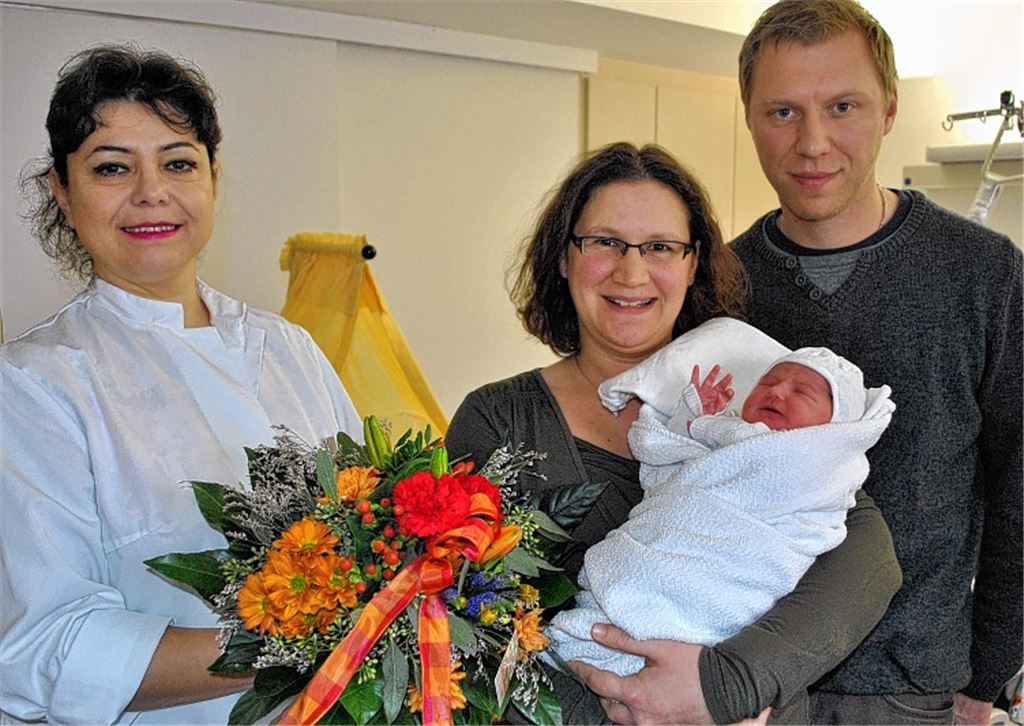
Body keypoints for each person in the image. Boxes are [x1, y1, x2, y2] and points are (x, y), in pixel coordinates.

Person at [446, 141, 903, 724]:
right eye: (604, 242)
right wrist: (635, 711)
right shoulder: (498, 420)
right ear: (563, 258)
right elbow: (472, 625)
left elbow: (866, 561)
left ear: (693, 264)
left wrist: (724, 687)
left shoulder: (757, 389)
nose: (631, 270)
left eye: (661, 247)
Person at [0, 46, 362, 724]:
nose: (151, 192)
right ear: (62, 192)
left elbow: (370, 532)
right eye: (112, 167)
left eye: (177, 162)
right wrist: (297, 641)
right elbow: (49, 645)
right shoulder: (33, 386)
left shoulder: (290, 350)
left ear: (213, 178)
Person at [730, 1, 1023, 723]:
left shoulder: (984, 274)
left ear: (889, 108)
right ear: (748, 115)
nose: (813, 142)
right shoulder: (719, 285)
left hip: (911, 689)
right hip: (737, 678)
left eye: (842, 106)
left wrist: (987, 676)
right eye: (782, 113)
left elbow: (1020, 485)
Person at [548, 342, 894, 682]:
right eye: (767, 383)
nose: (776, 393)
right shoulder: (723, 434)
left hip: (721, 580)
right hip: (653, 552)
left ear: (837, 427)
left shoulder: (823, 469)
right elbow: (662, 461)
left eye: (802, 392)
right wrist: (692, 419)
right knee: (596, 622)